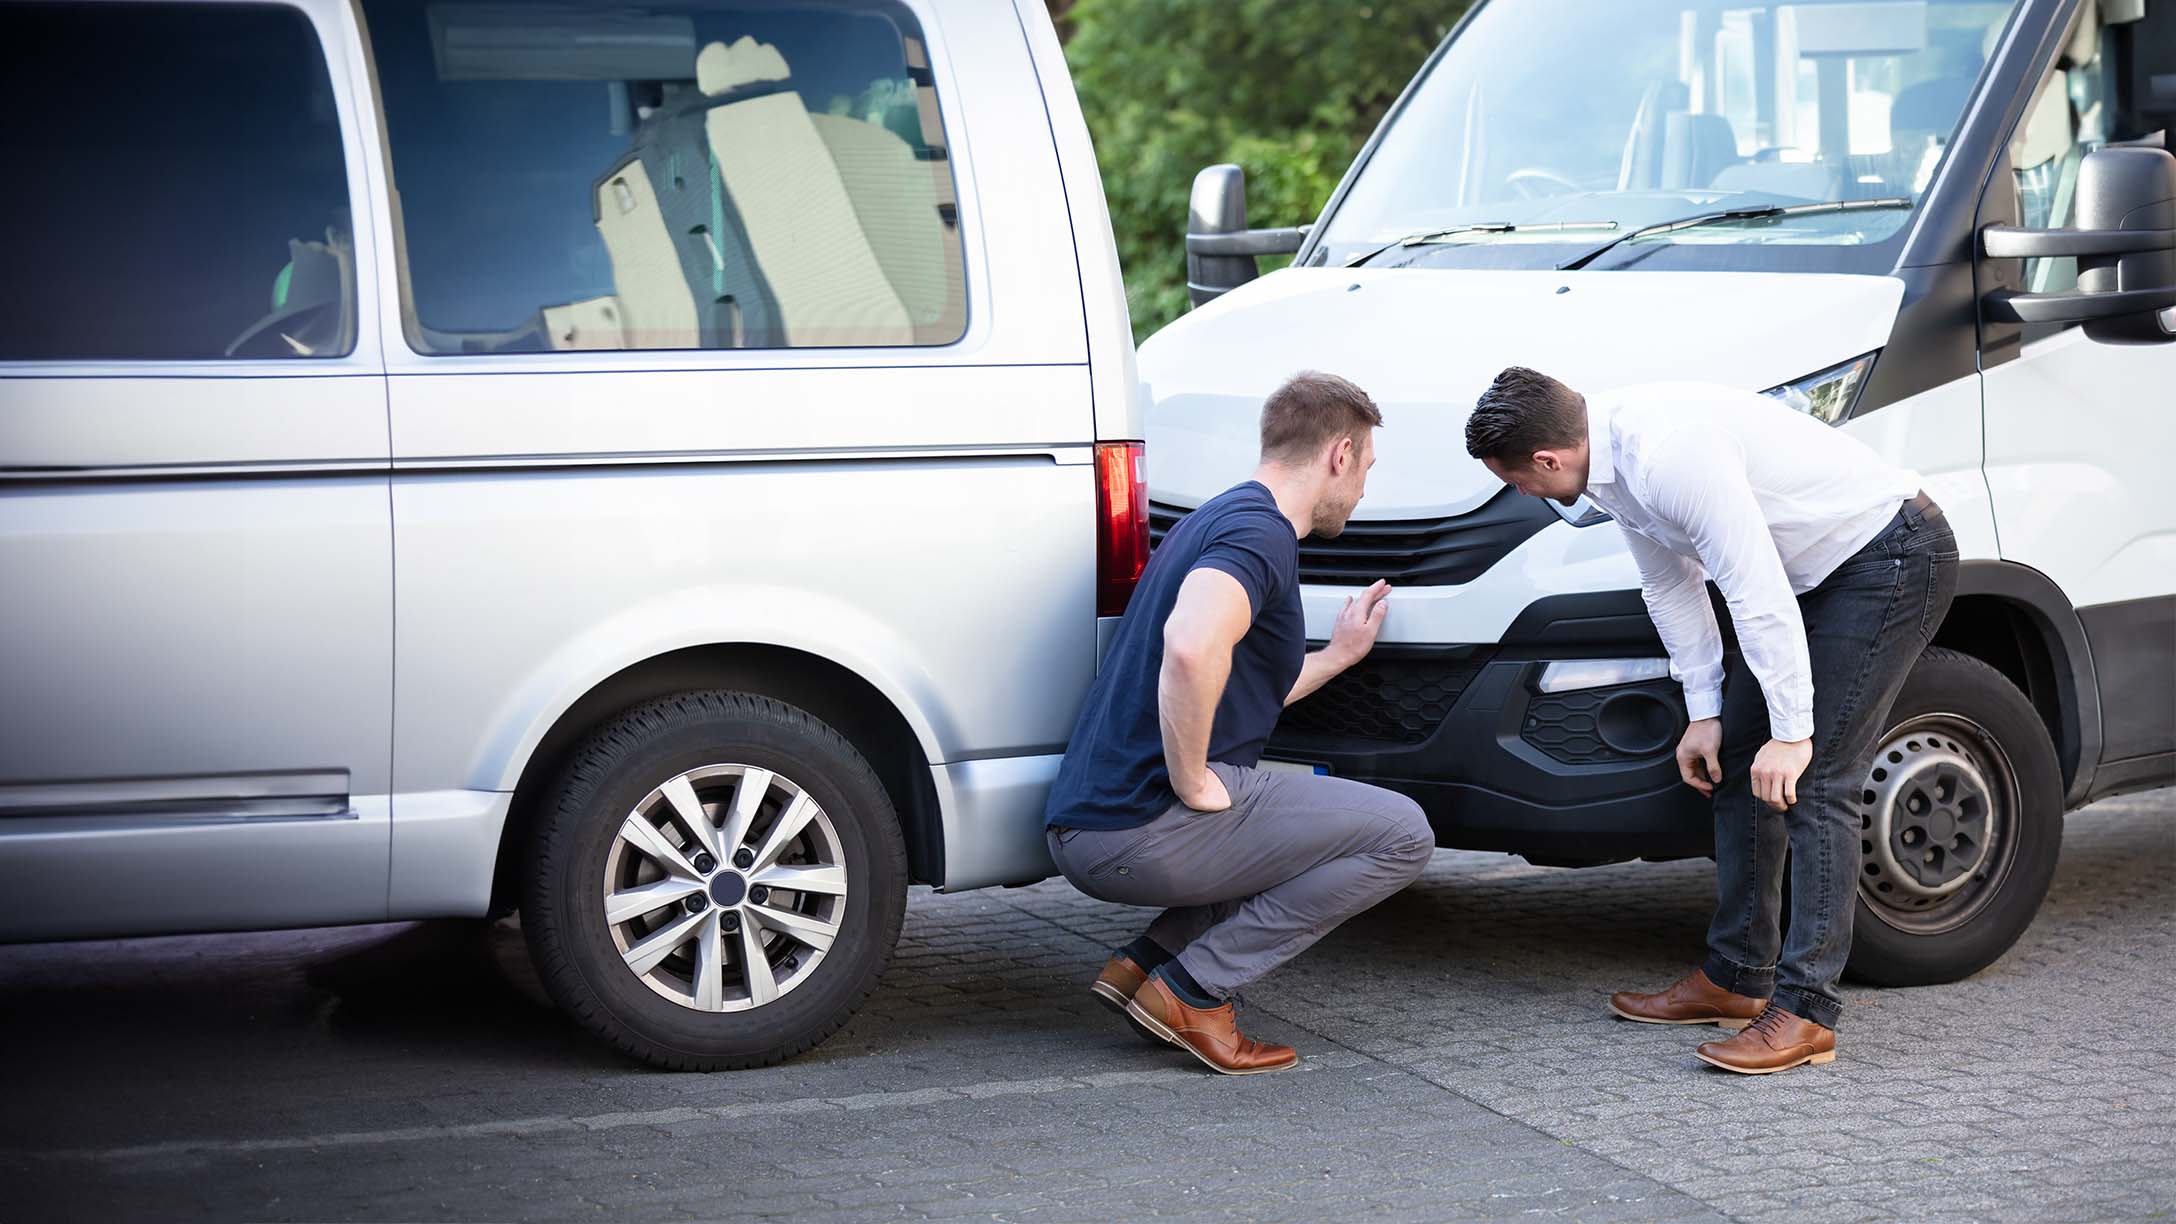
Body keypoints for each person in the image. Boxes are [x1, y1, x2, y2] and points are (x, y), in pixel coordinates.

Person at [1465, 368, 1957, 1075]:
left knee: (1816, 780)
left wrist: (1793, 732)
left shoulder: (1668, 456)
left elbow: (1752, 588)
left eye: (1515, 480)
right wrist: (1704, 713)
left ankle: (1809, 1012)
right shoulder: (1606, 466)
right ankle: (1735, 978)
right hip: (1805, 579)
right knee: (1736, 765)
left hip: (1888, 557)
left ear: (1547, 458)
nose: (1520, 493)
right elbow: (1669, 583)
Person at [1044, 370, 1434, 1075]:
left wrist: (1338, 657)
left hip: (1094, 823)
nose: (1364, 489)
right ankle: (1193, 992)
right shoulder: (1262, 537)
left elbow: (1236, 684)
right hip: (1142, 826)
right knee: (1402, 834)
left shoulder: (1221, 516)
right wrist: (1192, 781)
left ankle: (1144, 966)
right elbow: (1193, 647)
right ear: (1339, 455)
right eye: (1368, 467)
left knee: (1307, 829)